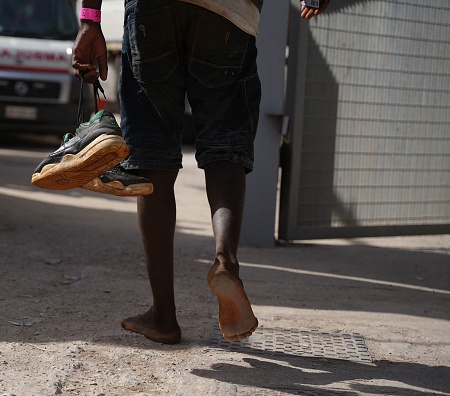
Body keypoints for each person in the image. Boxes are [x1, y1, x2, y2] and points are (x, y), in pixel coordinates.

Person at [72, 0, 331, 344]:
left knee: (154, 160)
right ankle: (226, 261)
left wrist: (90, 19)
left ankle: (163, 316)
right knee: (225, 148)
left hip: (153, 14)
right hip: (229, 12)